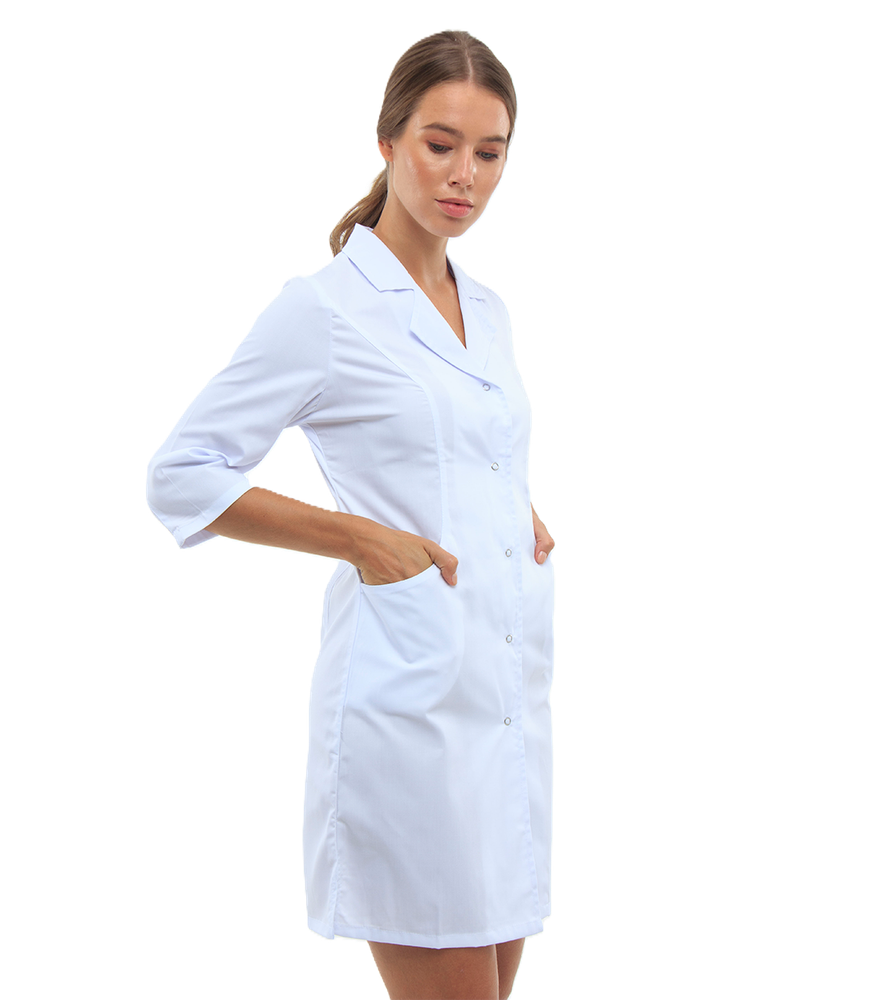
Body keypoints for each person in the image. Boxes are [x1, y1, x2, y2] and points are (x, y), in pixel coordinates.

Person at [145, 28, 555, 1000]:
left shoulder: (489, 309)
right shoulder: (325, 309)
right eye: (439, 144)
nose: (463, 176)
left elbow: (463, 443)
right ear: (387, 140)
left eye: (489, 152)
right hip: (408, 711)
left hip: (504, 700)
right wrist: (361, 539)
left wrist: (516, 508)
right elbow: (183, 473)